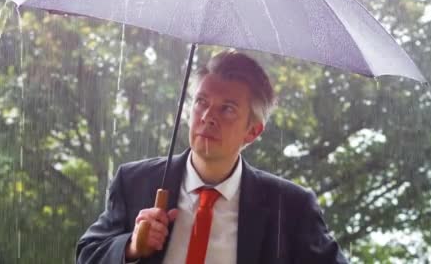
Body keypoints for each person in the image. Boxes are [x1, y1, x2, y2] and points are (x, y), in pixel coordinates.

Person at [76, 50, 348, 263]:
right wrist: (132, 247)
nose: (207, 117)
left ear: (252, 131)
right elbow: (87, 254)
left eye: (227, 109)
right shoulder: (135, 181)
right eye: (201, 102)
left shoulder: (290, 207)